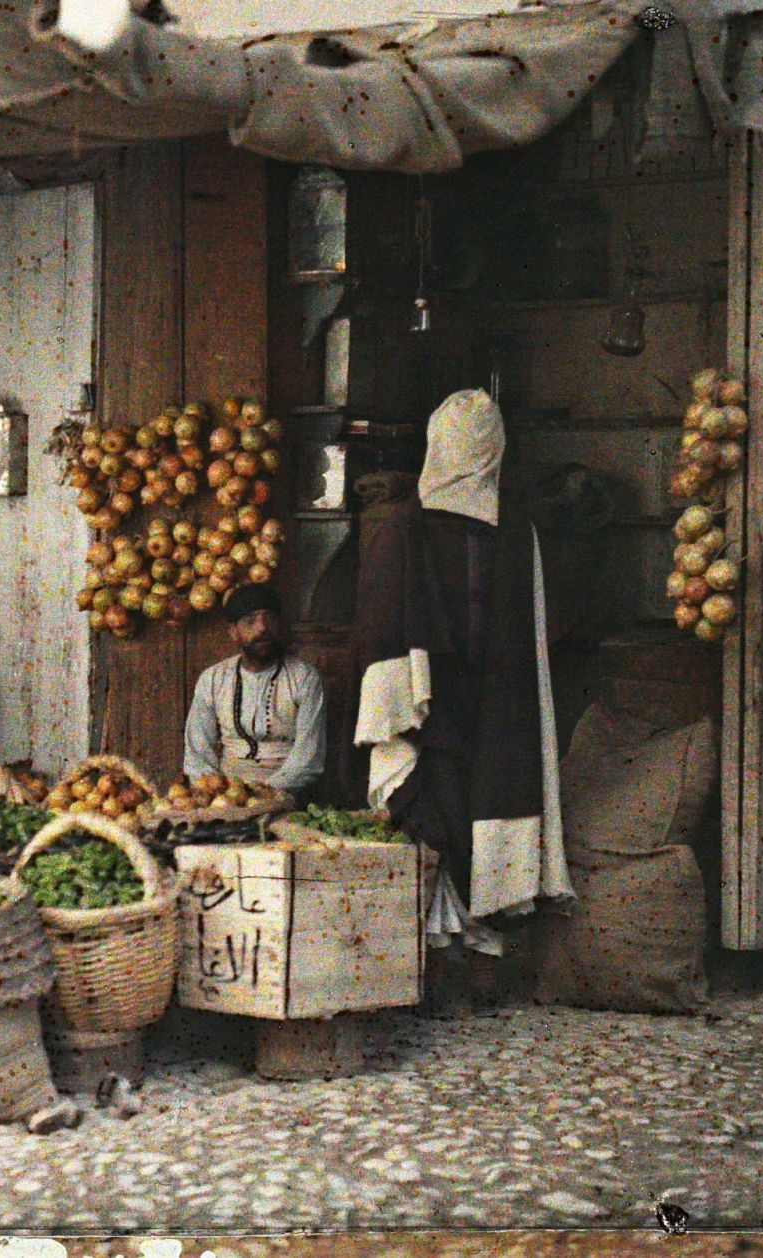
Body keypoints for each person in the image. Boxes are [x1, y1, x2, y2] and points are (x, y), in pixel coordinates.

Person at [348, 389, 573, 1008]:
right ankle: (478, 962)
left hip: (434, 706)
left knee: (434, 814)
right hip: (499, 706)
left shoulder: (403, 529)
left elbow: (377, 630)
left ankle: (441, 963)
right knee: (485, 812)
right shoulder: (518, 533)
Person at [181, 584, 326, 798]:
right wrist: (216, 792)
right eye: (250, 621)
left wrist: (262, 795)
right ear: (234, 633)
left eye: (269, 619)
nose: (262, 628)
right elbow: (198, 753)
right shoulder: (213, 679)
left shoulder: (304, 678)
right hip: (227, 795)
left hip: (287, 794)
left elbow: (308, 759)